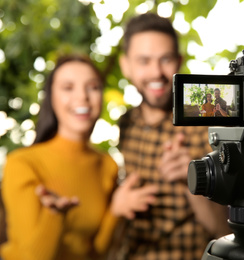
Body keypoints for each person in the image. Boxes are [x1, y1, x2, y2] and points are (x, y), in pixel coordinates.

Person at [108, 13, 231, 260]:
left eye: (165, 59)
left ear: (179, 62)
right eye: (144, 61)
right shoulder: (127, 122)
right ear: (126, 65)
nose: (156, 72)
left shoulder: (206, 124)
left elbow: (225, 231)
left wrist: (191, 179)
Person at [0, 55, 120, 260]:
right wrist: (54, 216)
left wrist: (117, 211)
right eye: (68, 87)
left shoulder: (107, 164)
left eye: (93, 87)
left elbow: (94, 254)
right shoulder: (22, 163)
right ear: (51, 98)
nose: (82, 96)